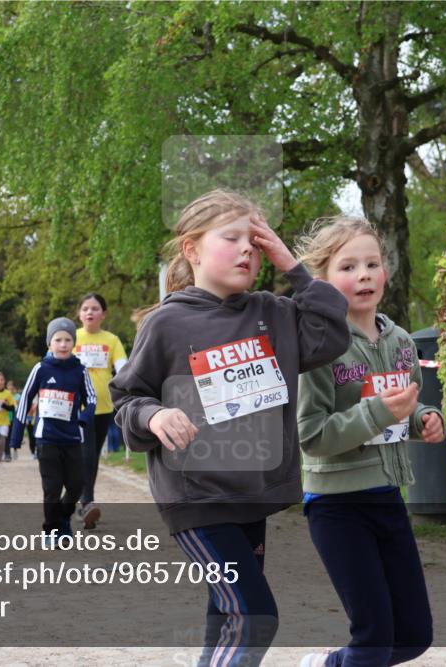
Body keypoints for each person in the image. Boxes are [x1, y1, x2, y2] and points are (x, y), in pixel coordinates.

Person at [109, 190, 349, 666]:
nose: (247, 249)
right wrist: (153, 415)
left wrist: (292, 267)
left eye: (256, 241)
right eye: (232, 237)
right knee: (256, 617)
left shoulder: (273, 313)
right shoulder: (166, 323)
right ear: (192, 250)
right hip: (196, 497)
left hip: (251, 491)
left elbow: (330, 334)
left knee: (227, 616)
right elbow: (127, 399)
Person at [294, 217, 445, 667]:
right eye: (348, 266)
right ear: (321, 280)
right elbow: (311, 435)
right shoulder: (319, 346)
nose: (363, 274)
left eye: (372, 264)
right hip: (336, 506)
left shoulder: (400, 340)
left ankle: (328, 664)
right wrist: (382, 410)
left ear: (385, 272)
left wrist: (424, 419)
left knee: (414, 637)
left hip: (388, 496)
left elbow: (407, 404)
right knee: (375, 639)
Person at [11, 318, 95, 547]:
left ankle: (64, 519)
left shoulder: (80, 370)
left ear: (73, 343)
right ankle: (50, 530)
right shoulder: (41, 368)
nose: (63, 344)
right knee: (52, 488)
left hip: (73, 438)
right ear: (50, 343)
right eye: (58, 339)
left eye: (68, 339)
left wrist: (83, 420)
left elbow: (92, 399)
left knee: (77, 485)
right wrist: (16, 436)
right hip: (46, 438)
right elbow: (25, 400)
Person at [74, 292, 128, 529]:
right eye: (85, 308)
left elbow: (122, 368)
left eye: (95, 308)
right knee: (85, 455)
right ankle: (86, 503)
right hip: (77, 408)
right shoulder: (71, 337)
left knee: (92, 457)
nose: (89, 312)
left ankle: (82, 502)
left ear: (103, 314)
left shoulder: (112, 340)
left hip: (104, 407)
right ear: (79, 313)